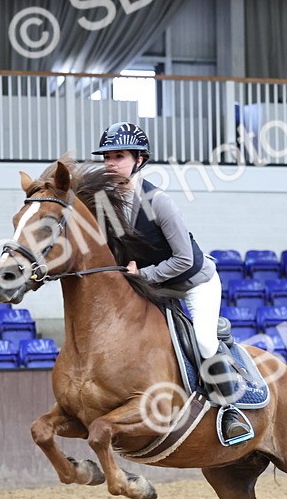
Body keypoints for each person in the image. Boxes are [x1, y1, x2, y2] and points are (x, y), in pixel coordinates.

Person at [93, 121, 252, 444]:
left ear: (139, 160)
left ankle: (232, 409)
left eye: (119, 156)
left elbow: (185, 259)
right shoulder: (105, 206)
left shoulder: (159, 202)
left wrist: (143, 275)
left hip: (195, 283)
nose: (110, 163)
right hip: (154, 287)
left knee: (205, 341)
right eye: (107, 156)